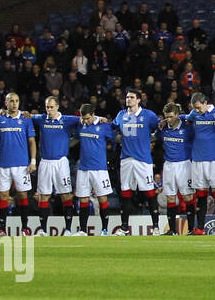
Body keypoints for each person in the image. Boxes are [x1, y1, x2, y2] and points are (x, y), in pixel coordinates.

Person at [112, 89, 159, 235]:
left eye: (132, 97)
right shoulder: (121, 115)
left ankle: (156, 226)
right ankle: (124, 227)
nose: (128, 100)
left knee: (149, 192)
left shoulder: (148, 115)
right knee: (125, 192)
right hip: (126, 159)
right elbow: (112, 127)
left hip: (142, 160)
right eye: (127, 97)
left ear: (139, 100)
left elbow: (160, 128)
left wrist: (150, 140)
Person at [34, 95, 81, 235]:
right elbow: (27, 116)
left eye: (51, 107)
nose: (49, 110)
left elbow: (84, 118)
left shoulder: (67, 120)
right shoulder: (42, 119)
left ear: (57, 107)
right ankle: (42, 229)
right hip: (45, 162)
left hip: (61, 162)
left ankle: (67, 229)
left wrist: (98, 119)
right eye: (47, 107)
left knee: (66, 195)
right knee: (44, 196)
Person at [0, 92, 36, 236]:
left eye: (16, 101)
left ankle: (24, 228)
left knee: (22, 195)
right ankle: (2, 229)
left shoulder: (26, 119)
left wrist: (33, 161)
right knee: (3, 196)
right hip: (3, 164)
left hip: (22, 165)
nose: (14, 103)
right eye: (11, 101)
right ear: (6, 103)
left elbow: (32, 141)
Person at [183, 91, 215, 234]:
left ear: (205, 103)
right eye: (194, 108)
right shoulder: (194, 114)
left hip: (214, 160)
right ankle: (200, 228)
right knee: (201, 194)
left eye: (198, 107)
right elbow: (184, 117)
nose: (196, 111)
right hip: (197, 160)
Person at [75, 104, 117, 235]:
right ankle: (82, 230)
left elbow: (115, 137)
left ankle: (104, 229)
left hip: (100, 169)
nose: (86, 121)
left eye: (88, 118)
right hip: (83, 168)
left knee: (102, 199)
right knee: (83, 199)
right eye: (84, 118)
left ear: (93, 114)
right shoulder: (80, 125)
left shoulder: (104, 126)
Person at [158, 102, 193, 235]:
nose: (169, 120)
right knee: (170, 197)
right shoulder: (163, 128)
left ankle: (190, 229)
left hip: (184, 164)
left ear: (178, 115)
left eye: (171, 116)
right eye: (166, 117)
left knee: (188, 196)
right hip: (168, 165)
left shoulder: (187, 129)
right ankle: (172, 230)